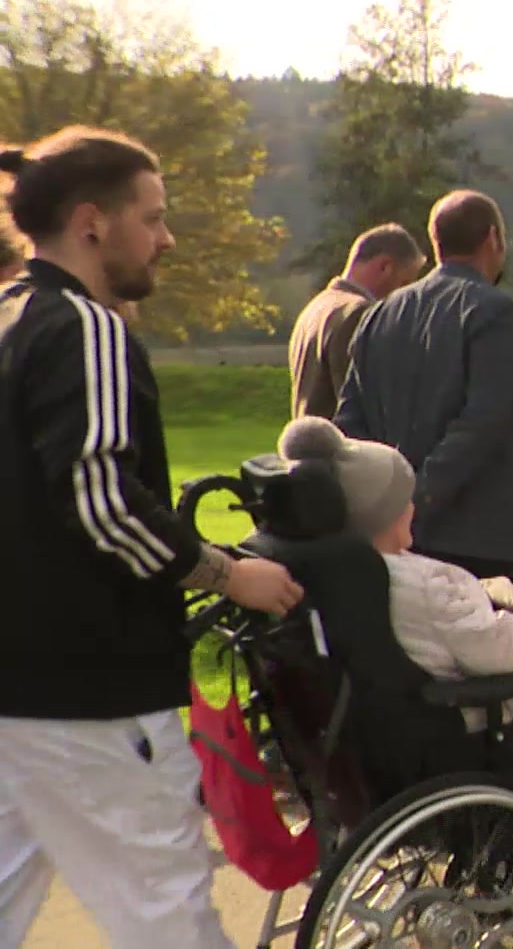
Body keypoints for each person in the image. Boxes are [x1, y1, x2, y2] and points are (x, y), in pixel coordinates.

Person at [0, 127, 304, 949]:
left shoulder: (8, 319)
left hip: (16, 687)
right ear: (93, 222)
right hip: (91, 692)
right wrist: (224, 574)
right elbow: (100, 501)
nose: (166, 237)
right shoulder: (84, 328)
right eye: (155, 216)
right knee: (169, 913)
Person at [276, 416, 513, 735]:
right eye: (405, 498)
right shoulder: (420, 587)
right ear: (385, 516)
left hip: (386, 714)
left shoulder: (345, 572)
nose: (413, 505)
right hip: (473, 717)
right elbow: (499, 648)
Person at [335, 190, 513, 582]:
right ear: (493, 239)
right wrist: (422, 495)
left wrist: (387, 503)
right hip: (475, 531)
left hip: (395, 531)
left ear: (436, 244)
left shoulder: (380, 314)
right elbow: (485, 420)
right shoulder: (491, 310)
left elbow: (350, 421)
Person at [288, 223, 425, 419]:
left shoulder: (315, 307)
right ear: (385, 266)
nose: (402, 294)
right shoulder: (359, 313)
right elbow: (362, 403)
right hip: (340, 446)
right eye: (403, 283)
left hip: (307, 440)